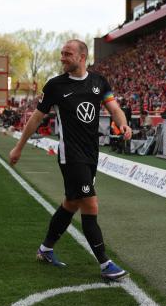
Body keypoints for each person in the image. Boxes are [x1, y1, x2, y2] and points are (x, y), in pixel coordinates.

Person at [9, 39, 132, 281]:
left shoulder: (99, 82)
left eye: (68, 54)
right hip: (70, 155)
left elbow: (114, 108)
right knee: (90, 204)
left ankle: (45, 249)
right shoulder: (55, 85)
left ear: (82, 57)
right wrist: (19, 146)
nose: (62, 57)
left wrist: (123, 123)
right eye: (62, 53)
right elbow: (36, 119)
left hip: (91, 155)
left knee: (71, 203)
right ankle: (105, 263)